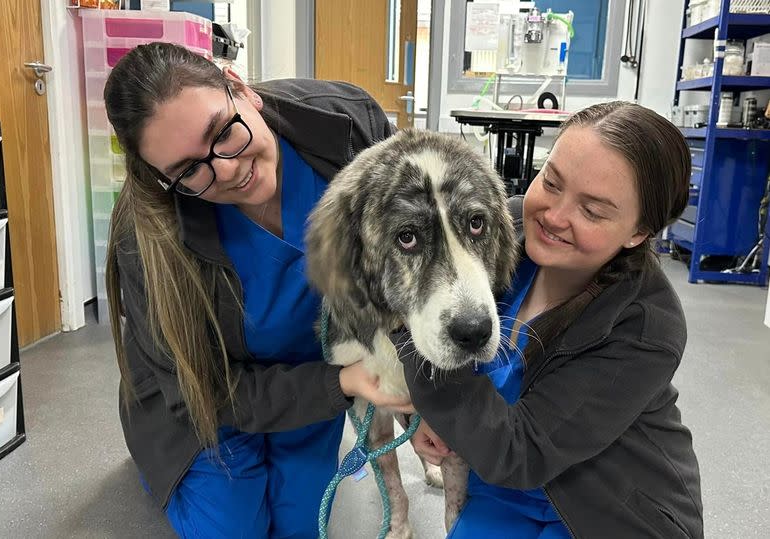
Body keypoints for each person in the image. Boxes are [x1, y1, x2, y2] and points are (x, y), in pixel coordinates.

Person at [103, 42, 411, 538]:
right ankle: (158, 459)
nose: (225, 169)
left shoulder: (348, 126)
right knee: (236, 529)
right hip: (208, 400)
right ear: (163, 179)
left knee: (299, 527)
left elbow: (420, 256)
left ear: (240, 88)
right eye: (187, 171)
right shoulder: (146, 241)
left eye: (223, 131)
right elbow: (198, 389)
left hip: (312, 383)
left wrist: (424, 388)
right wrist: (345, 384)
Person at [403, 101, 703, 538]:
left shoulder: (645, 326)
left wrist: (434, 394)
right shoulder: (496, 231)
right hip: (502, 488)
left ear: (639, 232)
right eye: (552, 180)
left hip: (606, 508)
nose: (554, 217)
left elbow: (518, 451)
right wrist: (435, 413)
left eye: (593, 211)